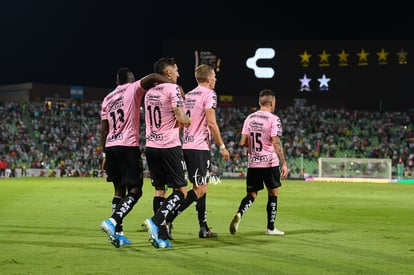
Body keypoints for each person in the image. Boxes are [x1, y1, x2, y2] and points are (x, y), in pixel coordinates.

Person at [99, 67, 172, 248]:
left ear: (117, 81)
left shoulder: (107, 99)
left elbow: (103, 129)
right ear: (131, 78)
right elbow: (154, 76)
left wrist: (104, 153)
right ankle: (113, 221)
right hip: (127, 146)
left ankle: (118, 234)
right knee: (136, 190)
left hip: (111, 146)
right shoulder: (133, 88)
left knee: (118, 191)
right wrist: (173, 85)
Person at [165, 64, 230, 238]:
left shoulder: (189, 95)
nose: (216, 79)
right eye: (214, 76)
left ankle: (203, 227)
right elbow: (211, 122)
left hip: (185, 145)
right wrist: (222, 146)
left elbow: (180, 120)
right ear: (208, 78)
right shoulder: (209, 94)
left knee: (200, 187)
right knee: (200, 189)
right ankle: (167, 218)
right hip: (199, 147)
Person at [142, 57, 191, 249]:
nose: (178, 74)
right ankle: (157, 219)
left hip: (151, 146)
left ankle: (161, 236)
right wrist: (189, 121)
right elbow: (180, 116)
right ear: (168, 73)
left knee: (159, 190)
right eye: (176, 70)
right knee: (181, 191)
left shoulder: (149, 92)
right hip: (169, 146)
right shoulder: (173, 89)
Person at [229, 89, 289, 236]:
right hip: (269, 162)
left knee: (252, 194)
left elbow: (243, 142)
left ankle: (240, 213)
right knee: (273, 193)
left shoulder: (249, 118)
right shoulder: (274, 119)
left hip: (253, 163)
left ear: (259, 102)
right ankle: (270, 227)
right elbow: (276, 142)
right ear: (271, 102)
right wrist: (284, 163)